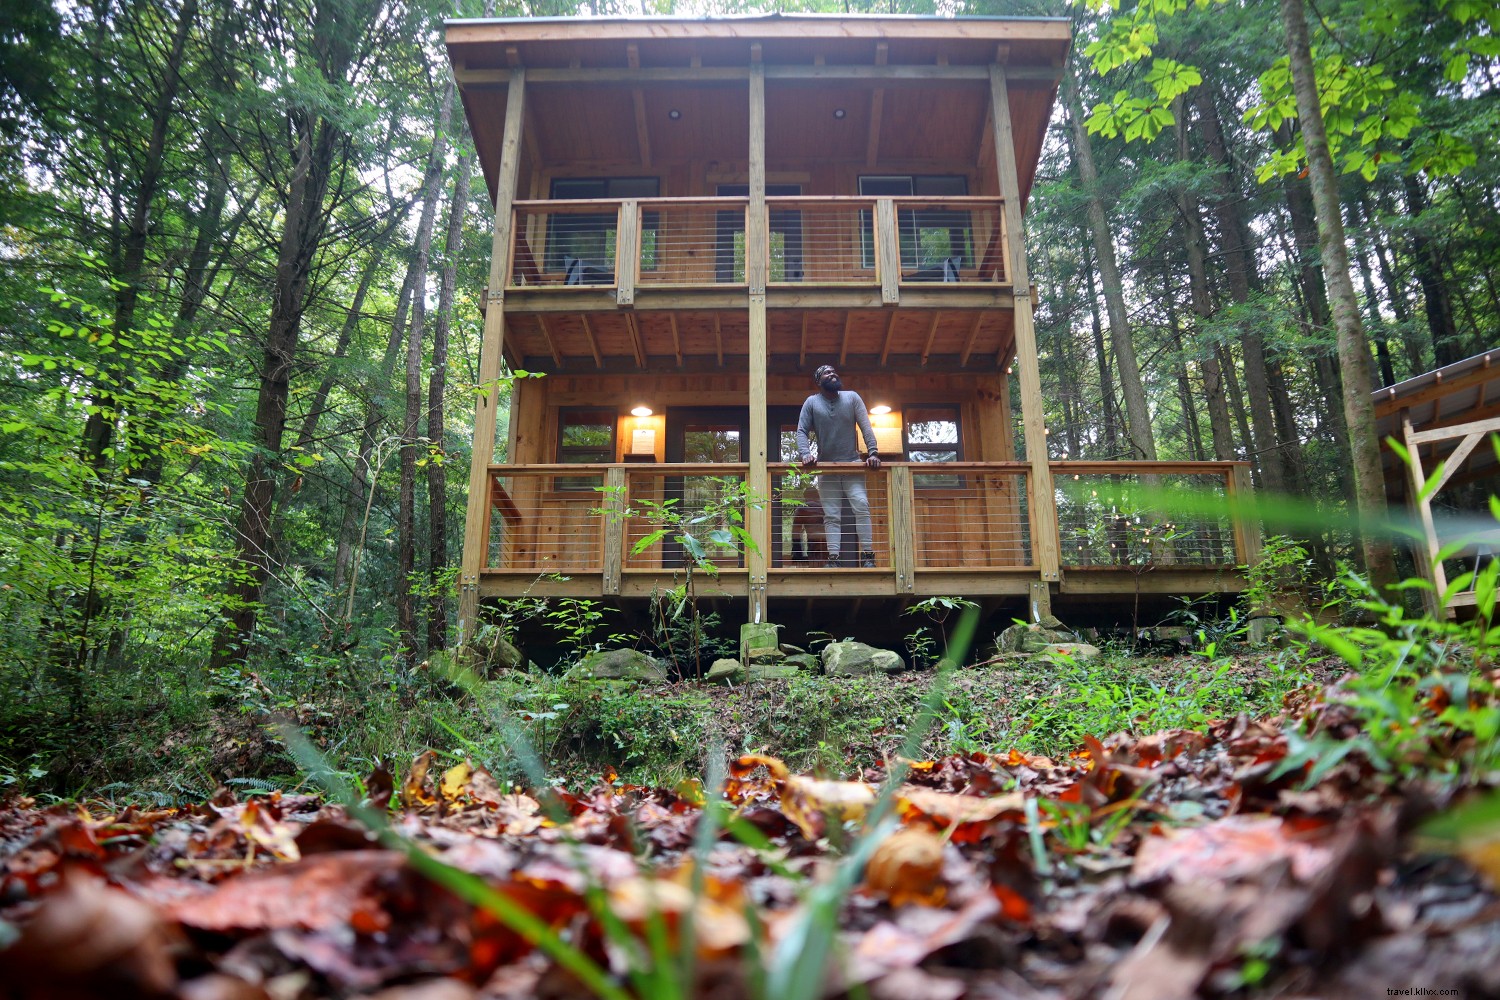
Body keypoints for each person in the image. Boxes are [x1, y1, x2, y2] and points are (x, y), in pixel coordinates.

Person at [795, 364, 881, 568]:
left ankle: (868, 555)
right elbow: (801, 431)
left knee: (861, 505)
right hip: (826, 467)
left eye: (834, 371)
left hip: (852, 465)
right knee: (832, 514)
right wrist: (806, 454)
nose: (832, 374)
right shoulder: (812, 402)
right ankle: (834, 558)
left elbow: (865, 426)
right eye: (827, 372)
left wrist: (873, 453)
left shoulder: (852, 397)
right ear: (818, 381)